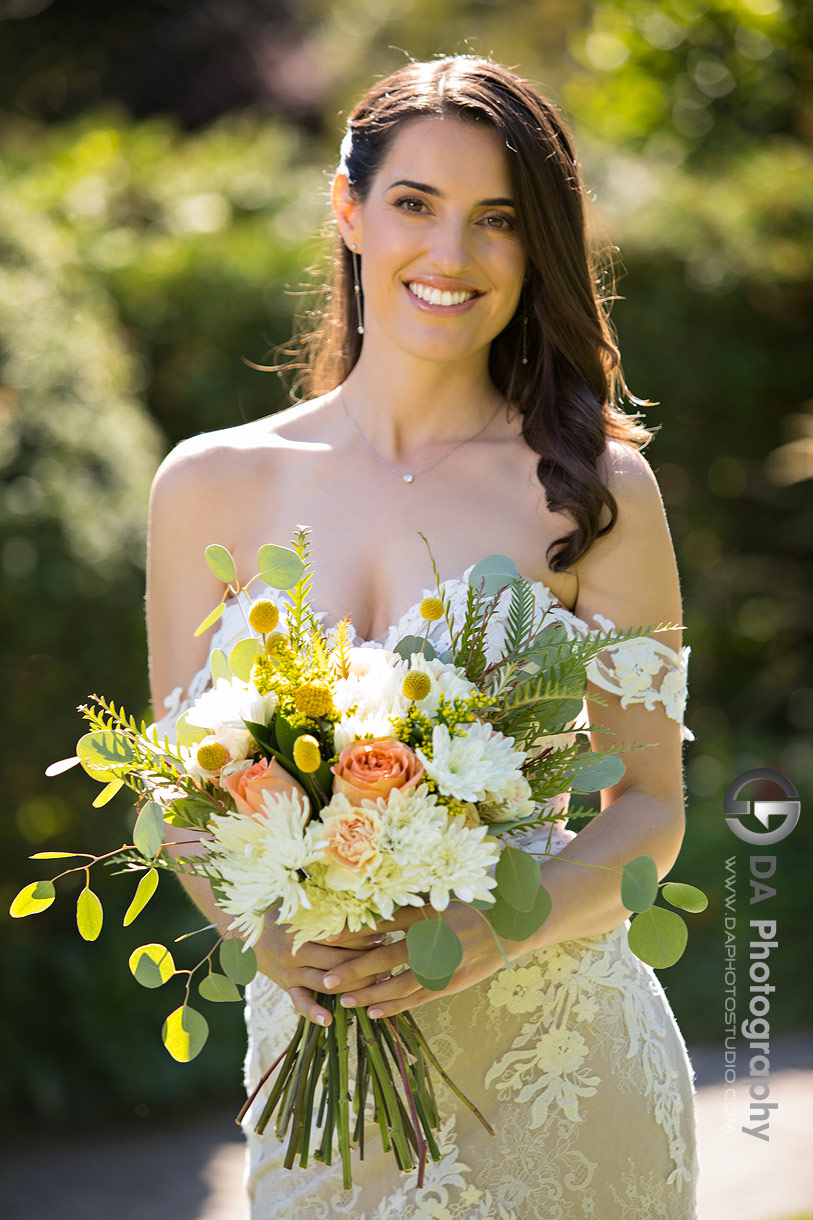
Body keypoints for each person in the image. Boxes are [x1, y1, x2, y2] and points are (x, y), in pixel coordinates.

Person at [147, 55, 698, 1219]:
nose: (451, 255)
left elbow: (651, 812)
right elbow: (179, 791)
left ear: (537, 246)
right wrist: (263, 924)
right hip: (322, 1108)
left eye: (498, 220)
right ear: (348, 211)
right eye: (415, 204)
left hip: (563, 1087)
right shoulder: (209, 485)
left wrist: (496, 924)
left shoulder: (597, 490)